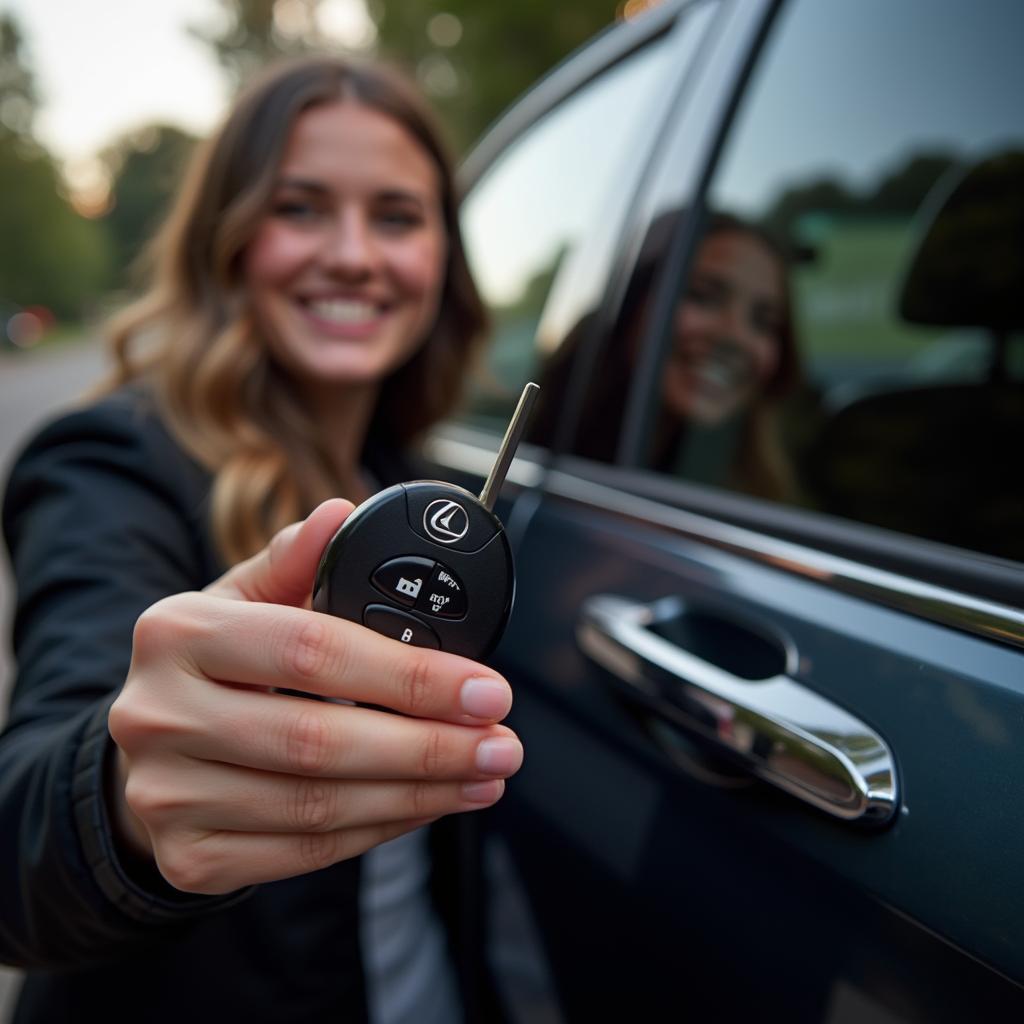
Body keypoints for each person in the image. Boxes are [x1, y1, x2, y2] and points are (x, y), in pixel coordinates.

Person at [0, 56, 522, 1024]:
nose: (356, 254)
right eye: (302, 207)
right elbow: (16, 836)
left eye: (398, 217)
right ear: (226, 242)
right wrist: (118, 798)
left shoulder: (426, 481)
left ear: (444, 256)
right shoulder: (112, 463)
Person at [536, 211, 800, 500]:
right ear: (631, 305)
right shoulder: (534, 451)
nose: (736, 336)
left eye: (764, 322)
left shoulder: (765, 498)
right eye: (702, 296)